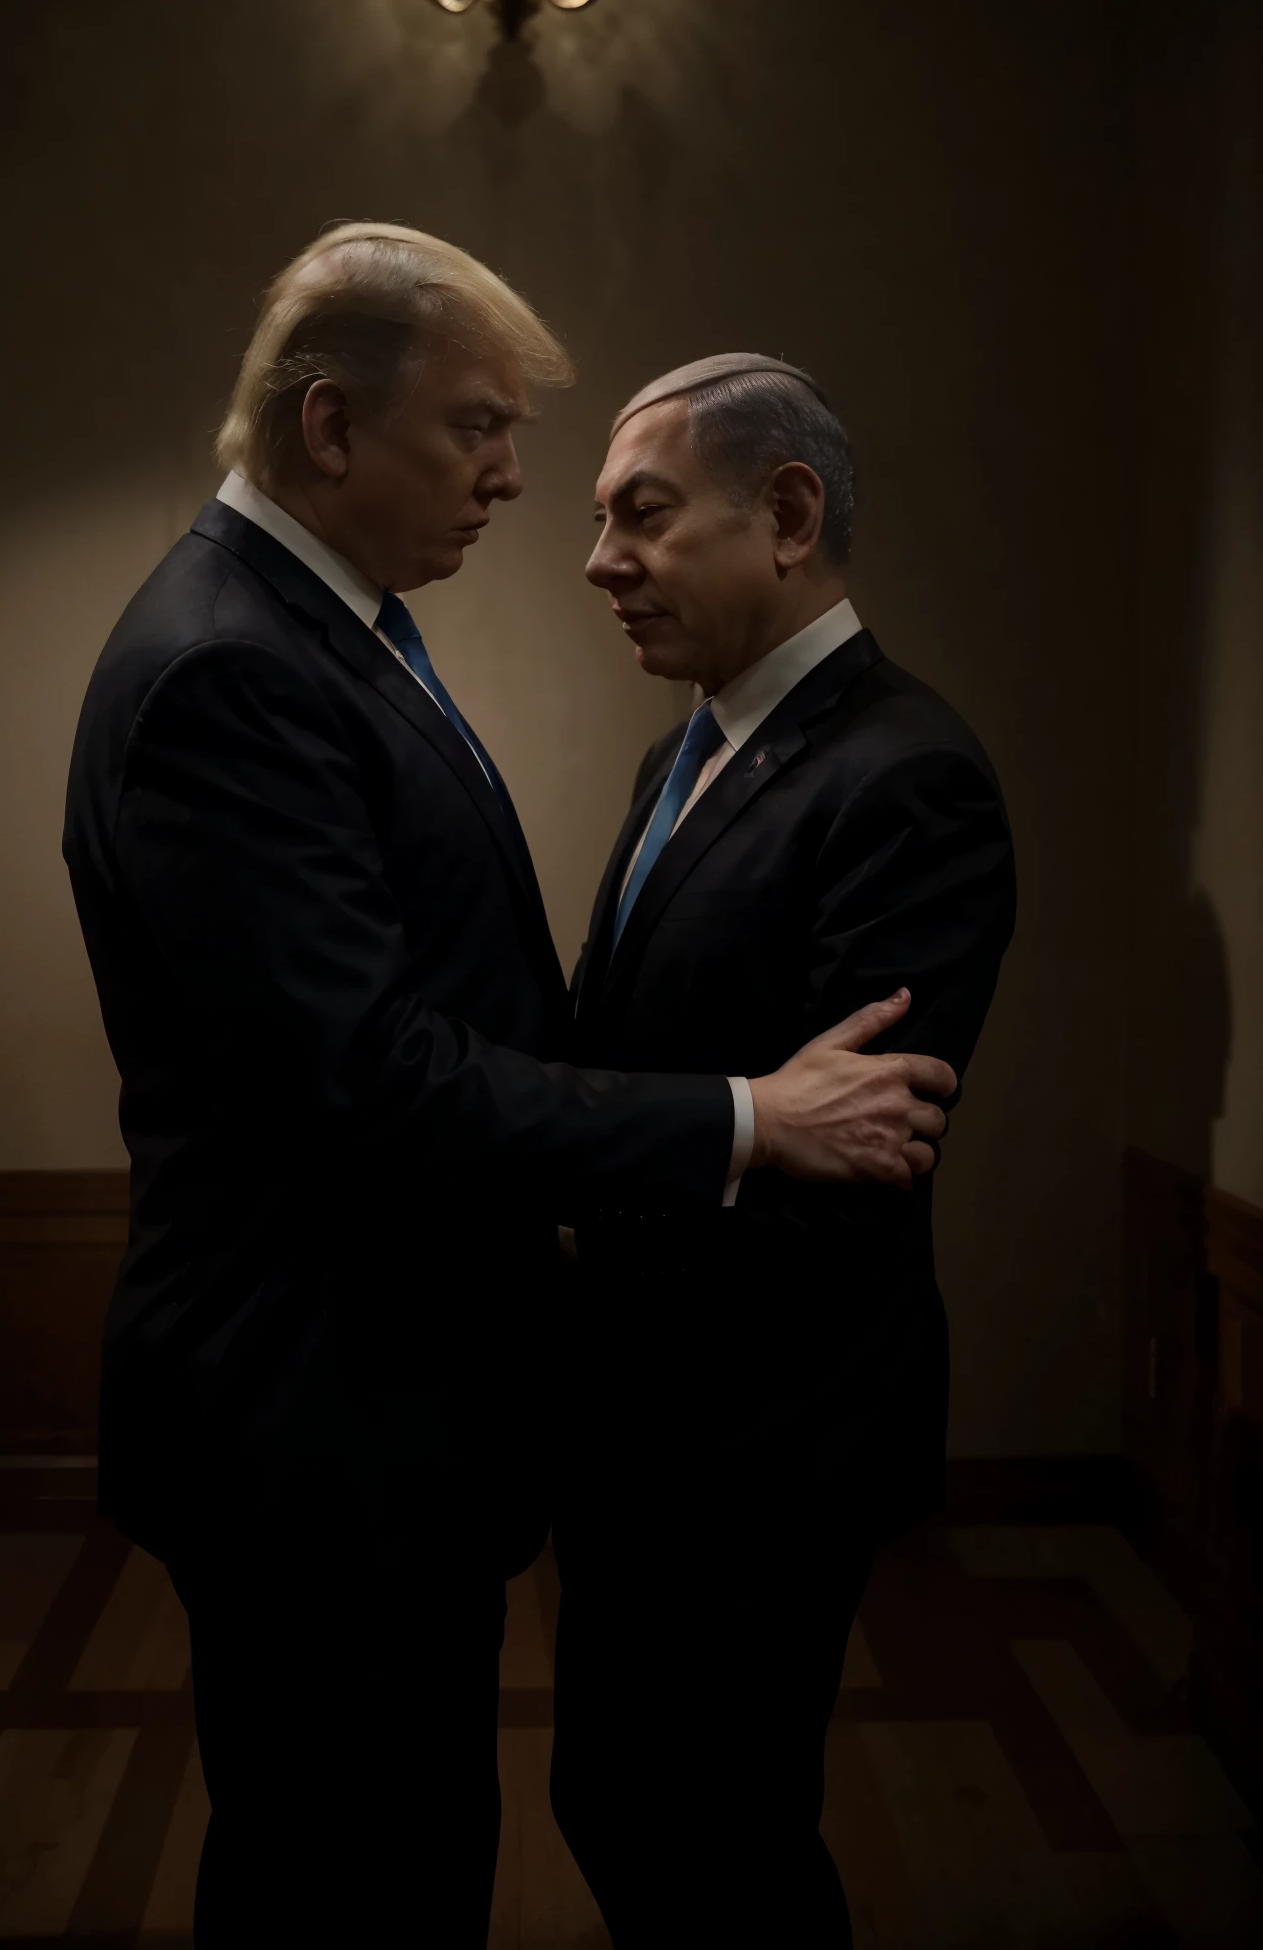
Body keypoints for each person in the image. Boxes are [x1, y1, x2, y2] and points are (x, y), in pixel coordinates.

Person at [62, 240, 956, 1947]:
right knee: (356, 1883)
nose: (512, 474)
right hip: (317, 1420)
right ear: (330, 425)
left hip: (382, 1415)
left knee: (397, 1860)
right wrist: (751, 1119)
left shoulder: (329, 635)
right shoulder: (232, 665)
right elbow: (372, 1074)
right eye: (476, 423)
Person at [550, 354, 1017, 1947]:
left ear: (790, 514)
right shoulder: (680, 754)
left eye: (643, 516)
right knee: (622, 1806)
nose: (599, 559)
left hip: (756, 1431)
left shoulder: (908, 777)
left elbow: (855, 1160)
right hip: (641, 1417)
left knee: (717, 1843)